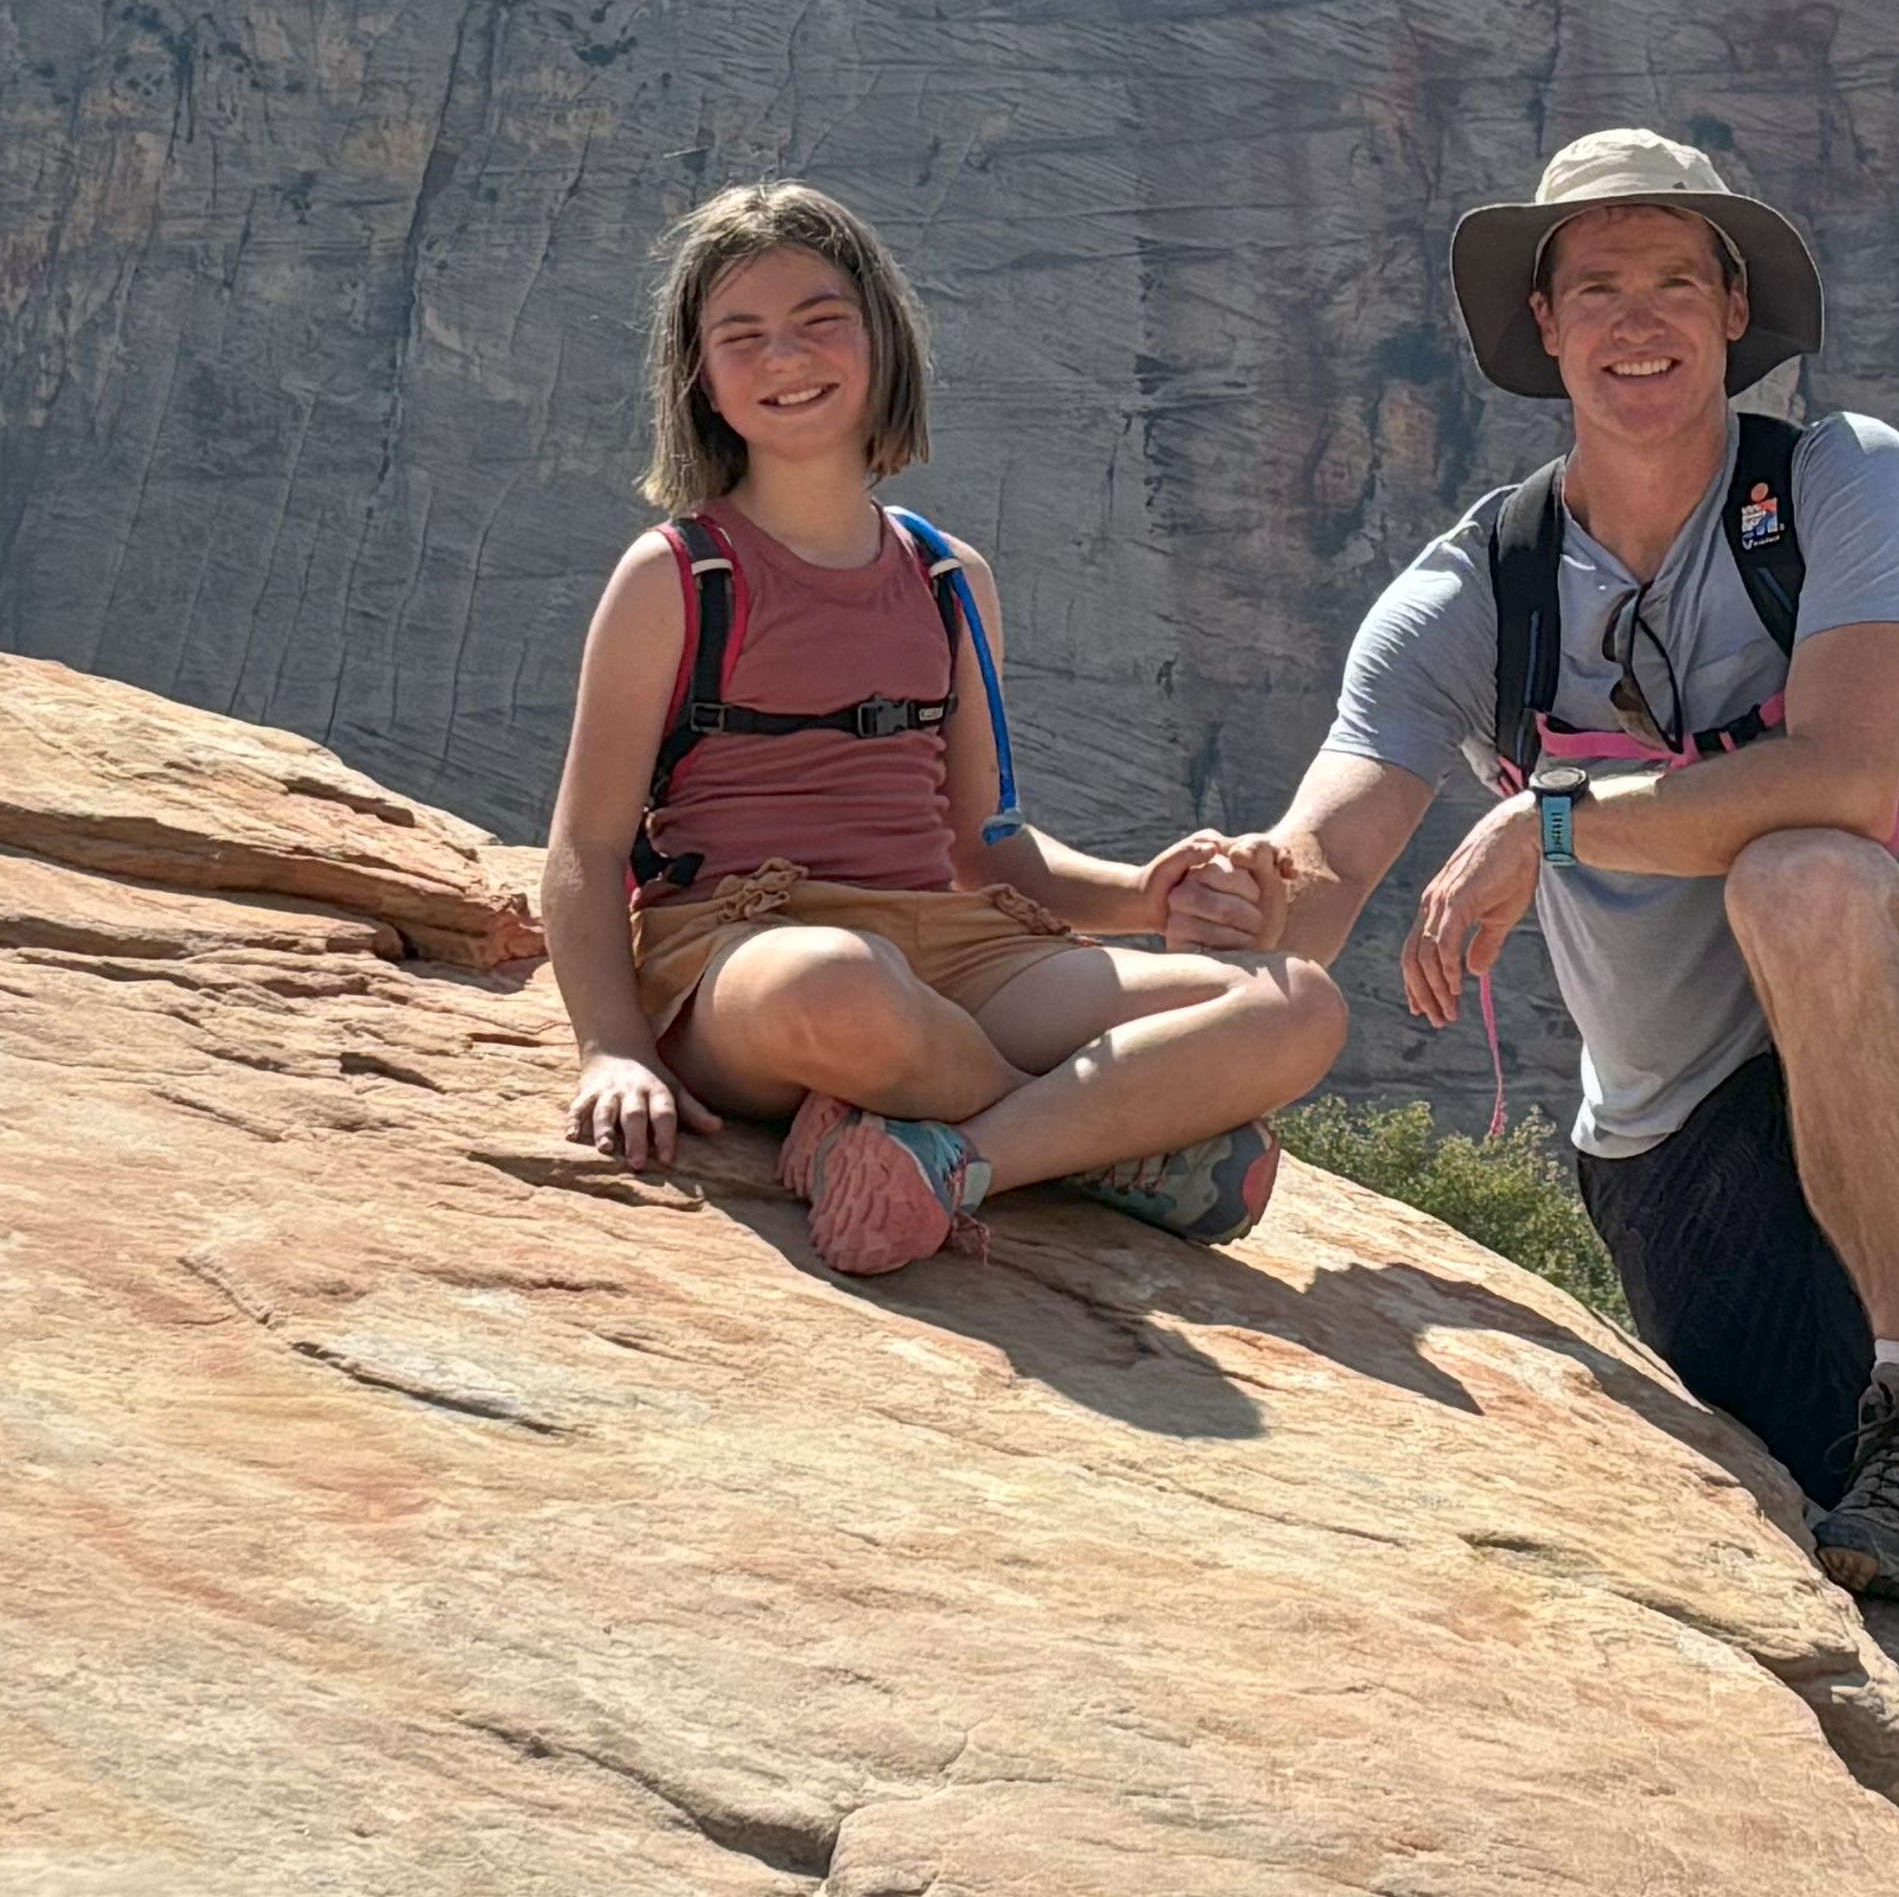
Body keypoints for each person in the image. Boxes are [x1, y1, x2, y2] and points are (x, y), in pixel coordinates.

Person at [1234, 131, 1899, 1606]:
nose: (1639, 320)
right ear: (1545, 325)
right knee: (1829, 1535)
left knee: (1798, 876)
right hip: (1678, 1148)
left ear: (1735, 309)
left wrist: (1548, 822)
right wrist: (1173, 924)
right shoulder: (1473, 595)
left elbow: (1846, 778)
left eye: (1676, 279)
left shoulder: (1845, 481)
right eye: (1599, 288)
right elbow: (1322, 869)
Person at [541, 179, 1347, 1280]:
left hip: (956, 954)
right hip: (746, 956)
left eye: (819, 320)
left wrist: (1148, 899)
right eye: (742, 336)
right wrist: (612, 1049)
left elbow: (986, 848)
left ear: (883, 339)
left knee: (1298, 1003)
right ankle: (1107, 1146)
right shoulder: (677, 576)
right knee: (841, 981)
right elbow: (587, 847)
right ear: (700, 379)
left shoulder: (945, 578)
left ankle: (953, 1160)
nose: (786, 357)